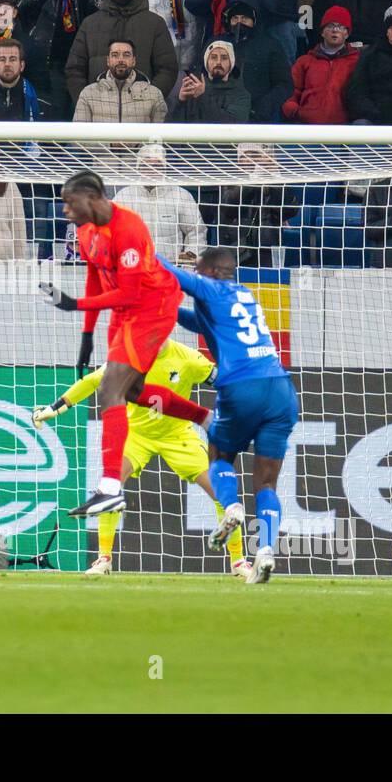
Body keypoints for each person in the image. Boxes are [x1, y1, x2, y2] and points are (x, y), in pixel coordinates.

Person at [38, 170, 211, 519]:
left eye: (70, 204)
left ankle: (110, 488)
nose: (65, 212)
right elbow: (93, 277)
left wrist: (75, 305)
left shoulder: (129, 229)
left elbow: (132, 292)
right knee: (131, 392)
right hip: (123, 311)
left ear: (92, 198)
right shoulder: (86, 233)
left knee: (108, 389)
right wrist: (86, 334)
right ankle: (203, 416)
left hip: (154, 306)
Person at [33, 337, 251, 577]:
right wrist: (54, 408)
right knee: (109, 489)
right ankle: (103, 559)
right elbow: (92, 381)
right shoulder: (130, 358)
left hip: (177, 435)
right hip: (135, 435)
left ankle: (238, 562)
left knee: (220, 491)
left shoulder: (189, 359)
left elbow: (225, 383)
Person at [157, 246, 296, 584]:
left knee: (219, 454)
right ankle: (264, 550)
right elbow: (200, 322)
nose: (196, 275)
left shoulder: (211, 286)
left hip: (241, 386)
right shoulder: (244, 294)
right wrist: (167, 311)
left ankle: (231, 507)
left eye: (198, 270)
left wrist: (139, 247)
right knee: (266, 483)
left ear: (212, 271)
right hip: (280, 389)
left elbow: (173, 276)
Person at [65, 0, 178, 102]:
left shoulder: (155, 23)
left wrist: (149, 101)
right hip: (98, 111)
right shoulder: (90, 24)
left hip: (142, 112)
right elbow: (74, 69)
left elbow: (167, 69)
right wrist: (87, 102)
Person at [17, 0, 96, 119]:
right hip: (48, 65)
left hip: (85, 64)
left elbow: (103, 10)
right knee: (54, 118)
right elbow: (21, 3)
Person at [282, 6, 360, 125]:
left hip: (344, 129)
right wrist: (296, 112)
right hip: (307, 128)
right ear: (322, 32)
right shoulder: (305, 61)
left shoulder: (357, 61)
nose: (335, 30)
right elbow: (290, 91)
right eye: (330, 26)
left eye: (340, 26)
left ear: (347, 33)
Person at [113, 165, 207, 260]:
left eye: (157, 165)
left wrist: (187, 266)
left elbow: (197, 232)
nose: (152, 170)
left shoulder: (181, 195)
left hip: (170, 268)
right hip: (135, 269)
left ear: (164, 167)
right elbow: (110, 233)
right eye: (146, 166)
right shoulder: (123, 196)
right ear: (138, 167)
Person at [73, 38, 167, 123]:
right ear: (108, 60)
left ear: (134, 61)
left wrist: (137, 142)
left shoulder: (154, 94)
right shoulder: (88, 94)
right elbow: (77, 139)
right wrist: (109, 143)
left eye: (126, 55)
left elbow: (162, 137)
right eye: (115, 55)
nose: (121, 60)